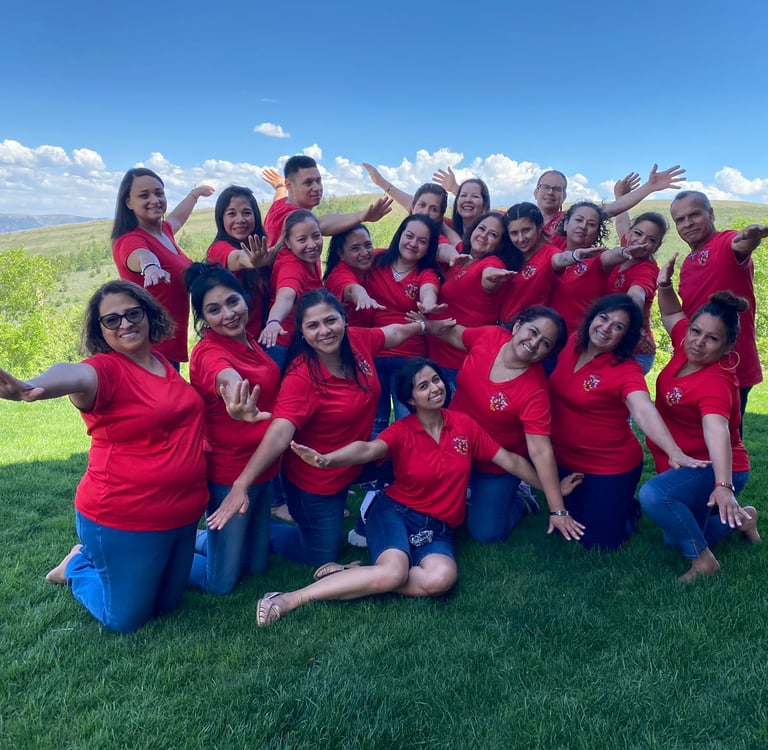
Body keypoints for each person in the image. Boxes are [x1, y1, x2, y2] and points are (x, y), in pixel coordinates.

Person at [254, 357, 582, 626]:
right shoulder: (402, 431)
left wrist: (551, 490)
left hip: (437, 525)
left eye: (437, 380)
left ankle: (354, 573)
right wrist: (329, 460)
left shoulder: (463, 425)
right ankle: (290, 598)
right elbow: (367, 450)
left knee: (441, 580)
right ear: (410, 399)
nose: (435, 388)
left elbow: (509, 460)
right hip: (395, 513)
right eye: (423, 386)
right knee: (394, 573)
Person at [0, 280, 207, 632]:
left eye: (132, 314)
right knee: (125, 619)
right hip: (125, 514)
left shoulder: (160, 361)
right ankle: (77, 567)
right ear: (100, 330)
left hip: (183, 513)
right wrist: (34, 387)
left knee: (168, 605)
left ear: (148, 314)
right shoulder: (105, 371)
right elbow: (72, 373)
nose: (125, 324)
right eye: (111, 320)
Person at [205, 289, 445, 568]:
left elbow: (391, 334)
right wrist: (241, 483)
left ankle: (383, 513)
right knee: (320, 558)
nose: (324, 331)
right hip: (317, 479)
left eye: (330, 321)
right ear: (303, 335)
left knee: (415, 450)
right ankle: (263, 534)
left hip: (355, 459)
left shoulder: (357, 341)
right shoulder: (302, 377)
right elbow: (280, 433)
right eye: (313, 326)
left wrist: (427, 326)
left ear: (344, 320)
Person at [548, 294, 708, 551]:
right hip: (565, 460)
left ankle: (629, 510)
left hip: (609, 464)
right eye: (604, 318)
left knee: (598, 543)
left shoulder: (626, 369)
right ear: (593, 316)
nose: (606, 328)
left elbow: (642, 408)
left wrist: (673, 450)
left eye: (618, 327)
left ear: (625, 336)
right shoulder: (571, 342)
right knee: (564, 530)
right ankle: (602, 503)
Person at [639, 260, 759, 581]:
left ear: (728, 346)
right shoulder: (684, 346)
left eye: (712, 339)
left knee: (654, 496)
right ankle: (744, 519)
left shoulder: (716, 383)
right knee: (671, 535)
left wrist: (723, 486)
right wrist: (664, 287)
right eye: (696, 331)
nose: (698, 342)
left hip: (717, 467)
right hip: (685, 464)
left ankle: (703, 561)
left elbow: (717, 430)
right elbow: (669, 315)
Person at [426, 306, 586, 543]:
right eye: (532, 332)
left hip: (498, 463)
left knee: (486, 533)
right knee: (429, 503)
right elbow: (456, 334)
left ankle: (521, 499)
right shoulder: (489, 337)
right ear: (518, 326)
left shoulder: (535, 392)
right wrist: (424, 325)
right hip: (452, 446)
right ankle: (465, 490)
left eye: (544, 343)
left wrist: (557, 507)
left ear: (547, 353)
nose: (534, 343)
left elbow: (540, 450)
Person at [185, 263, 280, 594]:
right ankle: (166, 554)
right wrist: (237, 398)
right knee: (222, 582)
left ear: (244, 299)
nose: (228, 314)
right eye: (214, 310)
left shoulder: (248, 339)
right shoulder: (208, 352)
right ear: (203, 319)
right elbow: (225, 376)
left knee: (256, 566)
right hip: (229, 472)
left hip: (263, 467)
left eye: (232, 302)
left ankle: (210, 538)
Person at [670, 189, 768, 420]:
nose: (687, 223)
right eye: (680, 220)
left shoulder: (724, 242)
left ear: (711, 214)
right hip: (697, 360)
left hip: (730, 364)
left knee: (725, 441)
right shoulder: (688, 262)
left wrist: (750, 236)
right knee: (698, 435)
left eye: (694, 215)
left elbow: (740, 244)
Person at [111, 167, 214, 367]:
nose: (154, 200)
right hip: (150, 351)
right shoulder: (129, 240)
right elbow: (141, 255)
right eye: (144, 195)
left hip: (168, 345)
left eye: (159, 193)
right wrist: (150, 267)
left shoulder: (164, 232)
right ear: (128, 202)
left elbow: (177, 217)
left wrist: (196, 194)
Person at [365, 215, 444, 435]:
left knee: (410, 423)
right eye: (409, 236)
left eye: (422, 241)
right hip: (374, 354)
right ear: (400, 234)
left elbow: (429, 290)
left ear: (429, 247)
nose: (413, 244)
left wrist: (428, 305)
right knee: (374, 423)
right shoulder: (377, 260)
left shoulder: (426, 273)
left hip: (409, 360)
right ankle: (377, 469)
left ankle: (411, 468)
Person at [427, 211, 522, 389]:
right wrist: (442, 225)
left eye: (493, 235)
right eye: (482, 228)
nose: (484, 236)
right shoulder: (465, 258)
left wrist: (492, 277)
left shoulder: (493, 263)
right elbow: (453, 241)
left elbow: (489, 275)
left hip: (458, 364)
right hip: (437, 359)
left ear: (501, 243)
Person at [263, 155, 392, 246]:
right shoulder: (291, 216)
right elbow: (320, 224)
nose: (317, 188)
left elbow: (279, 197)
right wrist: (361, 216)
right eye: (308, 183)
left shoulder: (279, 205)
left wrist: (280, 187)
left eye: (318, 181)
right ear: (290, 185)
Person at [259, 209, 325, 369]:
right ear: (288, 242)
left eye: (316, 236)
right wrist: (274, 321)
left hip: (298, 344)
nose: (312, 244)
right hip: (281, 347)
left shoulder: (309, 259)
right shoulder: (291, 266)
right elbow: (286, 296)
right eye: (302, 239)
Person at [206, 185, 274, 337]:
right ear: (220, 218)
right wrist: (251, 261)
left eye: (247, 213)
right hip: (233, 343)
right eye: (231, 214)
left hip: (261, 340)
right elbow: (237, 257)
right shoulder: (218, 249)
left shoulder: (261, 246)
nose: (240, 220)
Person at [605, 211, 667, 374]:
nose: (640, 242)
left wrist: (635, 329)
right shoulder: (626, 249)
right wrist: (621, 196)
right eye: (638, 233)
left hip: (635, 351)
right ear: (629, 233)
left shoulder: (647, 269)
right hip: (611, 341)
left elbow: (636, 295)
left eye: (651, 240)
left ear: (657, 246)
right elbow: (621, 222)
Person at [324, 223, 381, 327]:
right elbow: (351, 289)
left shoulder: (372, 258)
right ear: (341, 254)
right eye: (355, 248)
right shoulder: (339, 275)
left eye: (368, 245)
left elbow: (394, 251)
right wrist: (361, 296)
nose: (364, 253)